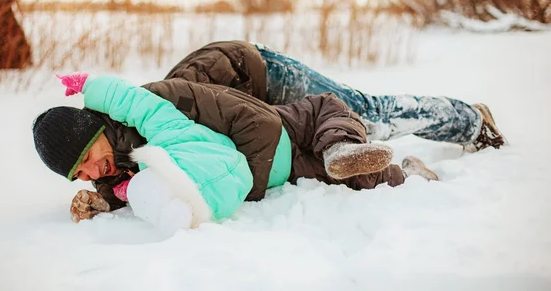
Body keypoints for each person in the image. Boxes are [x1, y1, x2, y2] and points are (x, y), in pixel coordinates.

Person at [33, 72, 438, 230]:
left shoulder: (154, 107)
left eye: (86, 157)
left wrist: (254, 170)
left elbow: (231, 109)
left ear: (95, 131)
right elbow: (132, 189)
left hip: (279, 129)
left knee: (326, 109)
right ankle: (406, 173)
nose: (91, 172)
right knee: (363, 178)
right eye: (78, 175)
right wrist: (103, 202)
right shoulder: (115, 169)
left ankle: (341, 149)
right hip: (282, 163)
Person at [164, 41, 507, 151]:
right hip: (251, 89)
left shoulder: (158, 113)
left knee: (366, 116)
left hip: (264, 75)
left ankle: (471, 120)